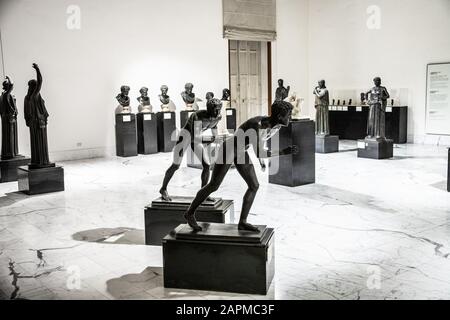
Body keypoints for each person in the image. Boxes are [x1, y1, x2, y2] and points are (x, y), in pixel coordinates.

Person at [184, 100, 298, 232]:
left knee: (254, 186)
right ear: (279, 117)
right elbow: (260, 151)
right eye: (288, 115)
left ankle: (242, 222)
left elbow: (259, 146)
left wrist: (261, 159)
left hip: (241, 151)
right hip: (230, 148)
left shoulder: (276, 126)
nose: (290, 118)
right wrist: (284, 152)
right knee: (214, 185)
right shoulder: (258, 125)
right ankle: (189, 213)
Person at [159, 98, 223, 201]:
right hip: (185, 137)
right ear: (209, 109)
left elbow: (214, 129)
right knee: (175, 166)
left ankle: (203, 193)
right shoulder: (197, 115)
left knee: (207, 165)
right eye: (215, 110)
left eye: (219, 109)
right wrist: (213, 138)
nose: (218, 112)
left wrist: (216, 138)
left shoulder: (218, 117)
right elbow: (198, 138)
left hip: (195, 139)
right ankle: (163, 189)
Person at [24, 63, 53, 168]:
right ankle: (42, 161)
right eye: (36, 86)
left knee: (36, 143)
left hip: (34, 123)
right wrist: (37, 69)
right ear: (34, 88)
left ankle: (37, 160)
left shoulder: (28, 98)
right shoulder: (34, 96)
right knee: (41, 143)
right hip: (39, 123)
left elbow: (26, 114)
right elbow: (40, 81)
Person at [0, 76, 19, 160]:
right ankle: (10, 152)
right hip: (8, 118)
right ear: (6, 87)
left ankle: (9, 152)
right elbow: (12, 85)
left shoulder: (3, 95)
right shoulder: (5, 94)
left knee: (9, 135)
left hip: (6, 117)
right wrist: (9, 78)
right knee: (10, 135)